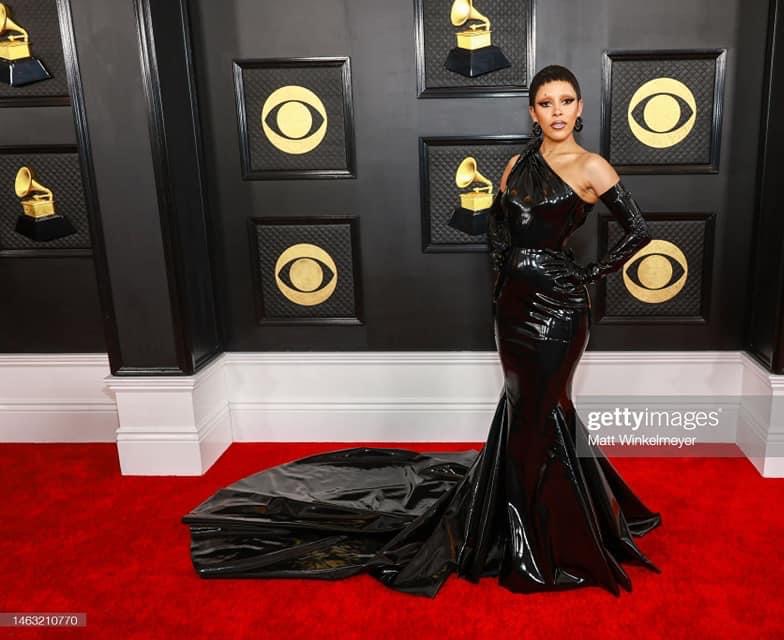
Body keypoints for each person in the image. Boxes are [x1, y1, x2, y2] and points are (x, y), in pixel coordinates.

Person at [181, 64, 661, 598]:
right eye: (546, 103)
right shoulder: (516, 166)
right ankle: (550, 517)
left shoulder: (592, 166)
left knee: (541, 411)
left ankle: (545, 536)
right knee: (529, 408)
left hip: (560, 310)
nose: (557, 112)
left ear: (580, 107)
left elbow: (639, 230)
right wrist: (501, 294)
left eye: (566, 101)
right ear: (532, 111)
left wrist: (587, 274)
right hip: (513, 310)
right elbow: (500, 236)